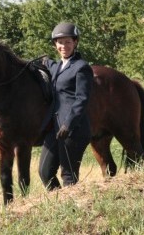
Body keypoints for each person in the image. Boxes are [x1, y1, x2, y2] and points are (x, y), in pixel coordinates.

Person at [39, 22, 93, 191]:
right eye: (60, 42)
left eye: (68, 42)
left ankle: (72, 211)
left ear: (75, 43)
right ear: (55, 44)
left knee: (68, 176)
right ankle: (59, 203)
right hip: (55, 128)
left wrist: (68, 124)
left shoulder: (81, 68)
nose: (64, 46)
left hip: (73, 129)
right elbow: (53, 67)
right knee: (45, 172)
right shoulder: (58, 66)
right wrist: (45, 62)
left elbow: (82, 99)